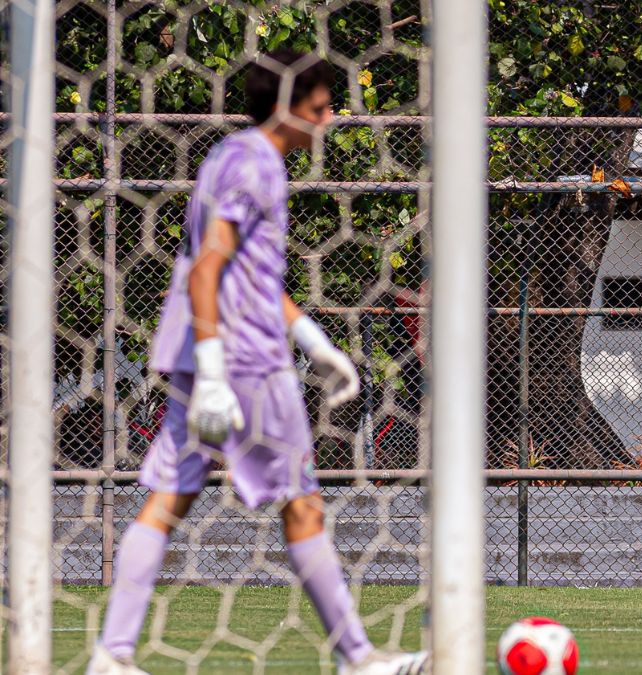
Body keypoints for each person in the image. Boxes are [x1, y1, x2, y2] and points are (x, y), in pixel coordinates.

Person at [87, 52, 427, 675]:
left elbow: (249, 273)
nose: (328, 120)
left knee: (168, 496)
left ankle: (111, 656)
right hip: (245, 361)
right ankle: (357, 657)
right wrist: (220, 373)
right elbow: (210, 267)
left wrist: (314, 341)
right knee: (302, 503)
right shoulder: (257, 166)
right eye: (320, 108)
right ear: (287, 107)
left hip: (207, 352)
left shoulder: (227, 155)